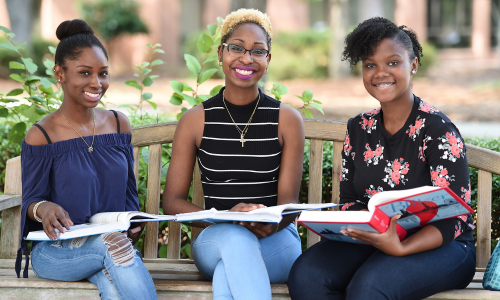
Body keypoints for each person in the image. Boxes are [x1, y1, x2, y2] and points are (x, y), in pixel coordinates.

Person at [287, 17, 476, 300]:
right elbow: (350, 199)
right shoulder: (358, 128)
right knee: (306, 276)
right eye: (370, 64)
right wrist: (358, 224)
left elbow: (454, 217)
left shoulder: (437, 130)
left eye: (393, 62)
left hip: (442, 245)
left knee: (369, 288)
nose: (380, 73)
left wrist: (399, 248)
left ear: (413, 65)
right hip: (375, 237)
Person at [162, 8, 304, 300]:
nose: (246, 59)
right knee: (236, 241)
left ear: (268, 59)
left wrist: (272, 221)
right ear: (220, 52)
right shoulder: (195, 120)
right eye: (236, 48)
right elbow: (172, 202)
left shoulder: (287, 120)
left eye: (258, 51)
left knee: (232, 272)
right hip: (216, 238)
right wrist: (227, 217)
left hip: (276, 241)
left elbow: (288, 203)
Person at [15, 19, 157, 300]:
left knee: (112, 275)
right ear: (60, 73)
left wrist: (134, 224)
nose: (97, 83)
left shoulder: (118, 124)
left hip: (112, 246)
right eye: (85, 73)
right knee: (112, 247)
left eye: (103, 73)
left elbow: (129, 195)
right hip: (57, 250)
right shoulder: (42, 134)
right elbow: (31, 202)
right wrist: (44, 208)